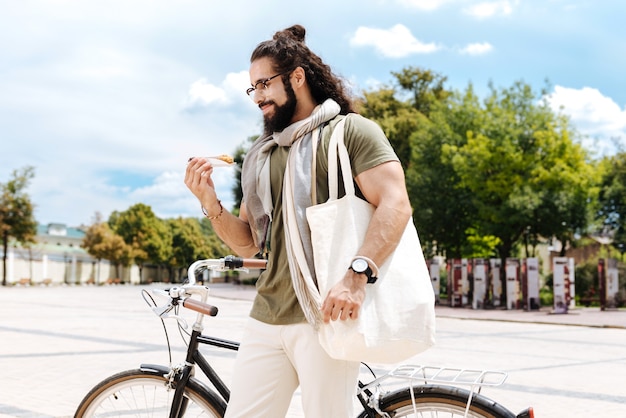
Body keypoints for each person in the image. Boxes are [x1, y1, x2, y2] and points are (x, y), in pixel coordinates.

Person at [185, 24, 412, 418]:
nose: (257, 96)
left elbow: (396, 204)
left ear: (297, 77)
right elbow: (250, 242)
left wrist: (356, 277)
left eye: (264, 84)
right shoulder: (262, 154)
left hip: (327, 315)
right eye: (251, 88)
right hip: (267, 315)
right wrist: (211, 204)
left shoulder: (350, 132)